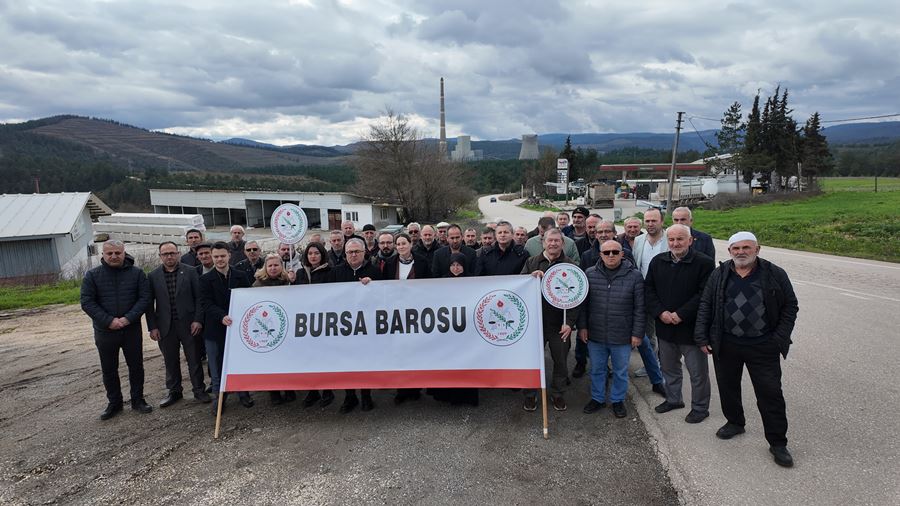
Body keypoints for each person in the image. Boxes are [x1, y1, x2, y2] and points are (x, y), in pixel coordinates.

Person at [695, 232, 799, 467]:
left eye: (746, 248)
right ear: (729, 251)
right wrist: (702, 336)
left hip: (763, 345)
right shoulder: (720, 273)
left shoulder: (774, 273)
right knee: (728, 387)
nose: (741, 252)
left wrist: (778, 338)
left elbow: (790, 306)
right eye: (736, 248)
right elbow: (706, 304)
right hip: (726, 343)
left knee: (770, 394)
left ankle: (778, 442)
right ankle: (735, 422)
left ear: (757, 249)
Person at [645, 225, 715, 424]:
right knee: (669, 368)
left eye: (680, 239)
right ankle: (674, 399)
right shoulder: (658, 261)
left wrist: (681, 314)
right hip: (665, 326)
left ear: (690, 240)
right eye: (671, 239)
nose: (675, 243)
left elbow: (705, 294)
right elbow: (648, 290)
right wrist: (661, 312)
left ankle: (700, 408)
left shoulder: (704, 263)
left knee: (697, 373)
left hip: (691, 329)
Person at [80, 240, 152, 420]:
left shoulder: (137, 274)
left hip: (131, 330)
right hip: (105, 331)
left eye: (117, 253)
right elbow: (87, 302)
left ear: (124, 253)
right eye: (109, 253)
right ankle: (114, 403)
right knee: (109, 369)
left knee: (136, 367)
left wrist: (128, 318)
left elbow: (144, 298)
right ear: (103, 255)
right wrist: (109, 321)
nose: (113, 256)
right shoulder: (92, 275)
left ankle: (138, 399)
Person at [577, 240, 645, 419]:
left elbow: (640, 308)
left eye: (615, 252)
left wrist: (637, 333)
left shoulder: (635, 276)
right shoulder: (589, 274)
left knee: (620, 372)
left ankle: (617, 400)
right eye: (606, 252)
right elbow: (583, 305)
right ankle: (597, 398)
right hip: (595, 333)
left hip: (622, 334)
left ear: (622, 254)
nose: (611, 255)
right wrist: (582, 327)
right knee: (596, 369)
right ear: (600, 255)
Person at [521, 229, 579, 412]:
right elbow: (519, 289)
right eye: (550, 240)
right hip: (535, 323)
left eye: (557, 241)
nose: (553, 244)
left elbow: (577, 297)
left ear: (563, 243)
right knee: (531, 359)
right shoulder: (532, 262)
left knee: (560, 360)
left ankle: (558, 393)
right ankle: (530, 394)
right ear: (543, 242)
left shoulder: (570, 266)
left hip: (559, 324)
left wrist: (569, 323)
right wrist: (529, 278)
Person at [146, 241, 210, 408]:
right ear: (160, 256)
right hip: (165, 326)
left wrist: (198, 320)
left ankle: (199, 390)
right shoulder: (153, 276)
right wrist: (152, 327)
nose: (169, 256)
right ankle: (174, 391)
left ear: (178, 254)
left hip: (189, 324)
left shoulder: (191, 272)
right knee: (170, 360)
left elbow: (199, 298)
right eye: (165, 254)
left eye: (172, 253)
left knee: (194, 359)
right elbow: (149, 304)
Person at [199, 241, 254, 413]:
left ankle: (243, 392)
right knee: (216, 365)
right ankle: (220, 396)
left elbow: (248, 298)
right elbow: (206, 303)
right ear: (212, 257)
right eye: (216, 256)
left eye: (222, 256)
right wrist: (221, 316)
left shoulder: (241, 276)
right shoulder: (205, 279)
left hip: (237, 327)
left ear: (229, 255)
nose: (219, 259)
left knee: (239, 361)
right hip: (215, 328)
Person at [329, 238, 382, 413]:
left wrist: (372, 286)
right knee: (346, 362)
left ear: (364, 253)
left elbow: (383, 297)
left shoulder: (374, 271)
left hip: (366, 326)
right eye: (350, 252)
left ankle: (366, 395)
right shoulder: (336, 272)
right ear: (345, 254)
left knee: (365, 362)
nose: (353, 255)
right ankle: (349, 396)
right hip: (343, 327)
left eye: (356, 252)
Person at [381, 232, 431, 404]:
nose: (401, 246)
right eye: (398, 244)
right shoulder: (389, 263)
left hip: (417, 313)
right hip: (396, 314)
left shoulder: (422, 261)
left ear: (410, 244)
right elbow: (383, 286)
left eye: (404, 243)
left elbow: (430, 285)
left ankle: (415, 388)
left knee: (415, 351)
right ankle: (401, 389)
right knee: (399, 352)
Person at [427, 251, 479, 407]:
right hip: (447, 330)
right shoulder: (442, 282)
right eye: (453, 265)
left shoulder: (473, 282)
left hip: (466, 331)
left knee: (466, 363)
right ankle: (445, 394)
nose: (456, 268)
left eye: (459, 265)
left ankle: (465, 397)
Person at [252, 254, 298, 405]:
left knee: (287, 360)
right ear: (265, 267)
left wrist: (293, 283)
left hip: (286, 327)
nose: (273, 268)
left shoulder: (287, 282)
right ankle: (274, 391)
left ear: (281, 266)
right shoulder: (257, 285)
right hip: (269, 328)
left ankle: (289, 388)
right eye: (270, 265)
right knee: (271, 362)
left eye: (276, 265)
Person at [296, 242, 335, 408]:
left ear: (322, 255)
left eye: (316, 253)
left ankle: (327, 390)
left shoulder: (331, 272)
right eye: (310, 253)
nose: (313, 256)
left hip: (324, 322)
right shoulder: (300, 273)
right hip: (306, 322)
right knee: (308, 358)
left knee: (324, 358)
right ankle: (312, 391)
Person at [632, 208, 668, 381]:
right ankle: (651, 365)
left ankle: (666, 365)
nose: (650, 224)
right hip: (645, 293)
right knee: (647, 333)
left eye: (654, 220)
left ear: (662, 221)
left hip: (666, 294)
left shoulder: (670, 240)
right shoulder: (639, 240)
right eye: (647, 221)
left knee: (665, 334)